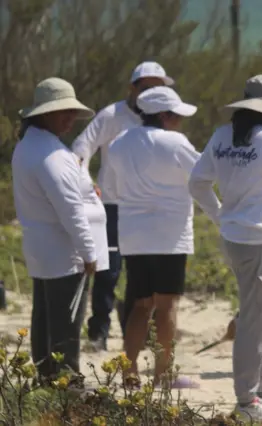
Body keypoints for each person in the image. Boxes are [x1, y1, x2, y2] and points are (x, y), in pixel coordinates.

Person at [189, 74, 262, 421]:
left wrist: (222, 216)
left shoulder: (223, 135)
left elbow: (198, 183)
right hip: (260, 241)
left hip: (235, 239)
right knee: (256, 321)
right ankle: (247, 401)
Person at [72, 61, 175, 351]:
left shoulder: (164, 119)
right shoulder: (112, 115)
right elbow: (81, 148)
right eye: (146, 87)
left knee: (143, 273)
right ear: (132, 88)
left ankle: (136, 334)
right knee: (108, 271)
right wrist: (85, 183)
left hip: (148, 207)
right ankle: (99, 333)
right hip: (113, 205)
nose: (151, 93)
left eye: (159, 88)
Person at [107, 86, 201, 389]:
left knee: (140, 303)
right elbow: (202, 175)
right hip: (169, 236)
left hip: (133, 236)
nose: (180, 122)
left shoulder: (119, 144)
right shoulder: (175, 142)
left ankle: (129, 372)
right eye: (177, 116)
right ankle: (163, 375)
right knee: (167, 305)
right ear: (165, 115)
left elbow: (111, 187)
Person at [12, 77, 98, 383]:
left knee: (45, 316)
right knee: (66, 320)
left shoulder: (25, 147)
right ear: (44, 113)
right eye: (63, 111)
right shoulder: (54, 155)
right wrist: (89, 253)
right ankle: (66, 382)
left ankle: (45, 376)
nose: (70, 118)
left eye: (71, 111)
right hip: (62, 250)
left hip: (37, 247)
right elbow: (71, 212)